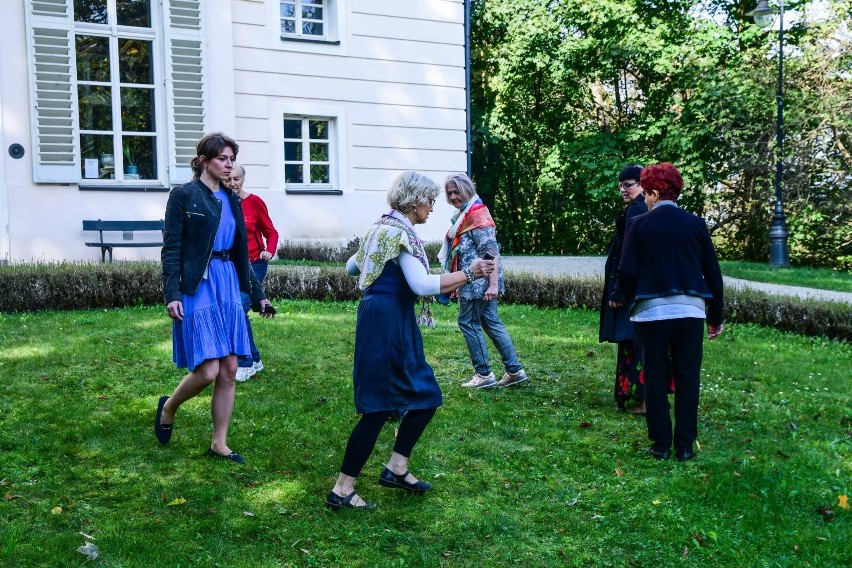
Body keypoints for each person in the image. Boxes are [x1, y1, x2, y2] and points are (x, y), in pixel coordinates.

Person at [326, 171, 495, 510]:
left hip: (383, 317)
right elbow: (421, 285)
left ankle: (396, 468)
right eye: (430, 200)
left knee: (416, 395)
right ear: (414, 200)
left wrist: (373, 264)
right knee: (383, 406)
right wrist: (470, 272)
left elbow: (350, 267)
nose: (433, 207)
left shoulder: (380, 228)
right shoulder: (398, 234)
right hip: (388, 322)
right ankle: (343, 489)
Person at [156, 132, 274, 464]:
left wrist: (259, 296)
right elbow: (172, 249)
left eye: (232, 159)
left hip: (227, 282)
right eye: (222, 158)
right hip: (199, 283)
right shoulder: (183, 196)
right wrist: (172, 293)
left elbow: (240, 254)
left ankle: (218, 443)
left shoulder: (233, 199)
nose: (228, 165)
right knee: (208, 370)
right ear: (204, 161)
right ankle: (169, 406)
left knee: (230, 368)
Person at [616, 162, 724, 462]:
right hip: (691, 309)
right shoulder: (696, 224)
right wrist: (715, 318)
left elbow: (627, 270)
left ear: (651, 192)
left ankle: (661, 445)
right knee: (689, 376)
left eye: (646, 194)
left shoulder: (639, 225)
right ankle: (686, 446)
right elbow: (713, 275)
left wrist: (627, 296)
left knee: (655, 375)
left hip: (652, 311)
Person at [438, 173, 527, 389]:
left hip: (477, 282)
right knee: (490, 322)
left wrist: (493, 284)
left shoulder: (477, 214)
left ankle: (484, 374)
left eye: (456, 191)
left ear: (467, 189)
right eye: (449, 193)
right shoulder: (464, 213)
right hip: (475, 280)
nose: (452, 196)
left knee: (467, 322)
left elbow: (491, 251)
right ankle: (514, 370)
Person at [599, 165, 647, 413]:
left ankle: (640, 398)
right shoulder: (636, 208)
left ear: (641, 184)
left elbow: (628, 256)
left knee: (634, 340)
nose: (623, 190)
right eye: (621, 186)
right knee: (630, 340)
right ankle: (632, 394)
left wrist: (619, 291)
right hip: (632, 285)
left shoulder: (638, 210)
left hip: (630, 288)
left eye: (628, 185)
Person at [228, 165, 279, 382]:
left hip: (255, 264)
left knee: (240, 307)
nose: (232, 183)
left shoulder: (254, 202)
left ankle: (246, 362)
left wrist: (269, 250)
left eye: (237, 178)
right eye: (228, 179)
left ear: (243, 179)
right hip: (231, 266)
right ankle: (255, 359)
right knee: (235, 309)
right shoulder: (222, 202)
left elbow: (271, 231)